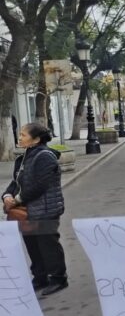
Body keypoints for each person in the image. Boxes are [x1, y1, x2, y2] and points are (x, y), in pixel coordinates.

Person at [2, 123, 67, 295]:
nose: (19, 137)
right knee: (33, 246)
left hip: (46, 209)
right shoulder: (24, 158)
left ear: (36, 139)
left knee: (48, 245)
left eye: (23, 135)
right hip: (27, 211)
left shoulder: (45, 157)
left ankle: (58, 278)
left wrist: (17, 200)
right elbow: (16, 182)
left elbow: (40, 185)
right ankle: (40, 277)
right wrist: (7, 196)